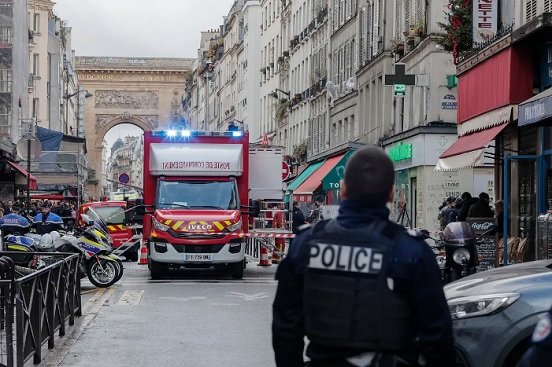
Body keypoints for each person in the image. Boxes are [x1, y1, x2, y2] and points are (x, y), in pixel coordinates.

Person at [272, 146, 455, 367]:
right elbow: (437, 335)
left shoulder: (306, 244)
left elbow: (285, 327)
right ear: (390, 194)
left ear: (344, 189)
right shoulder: (411, 251)